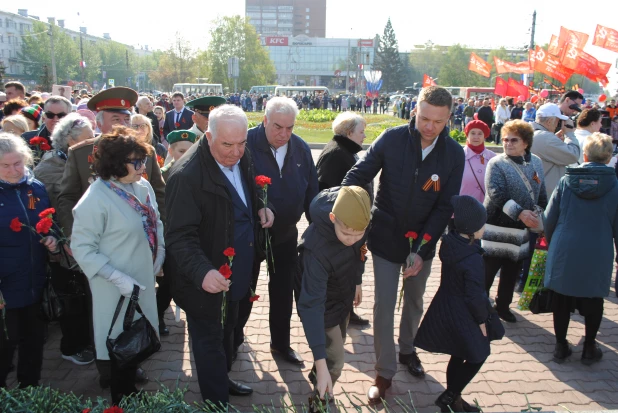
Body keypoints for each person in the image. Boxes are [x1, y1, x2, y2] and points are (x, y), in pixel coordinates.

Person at [342, 86, 465, 403]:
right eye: (424, 118)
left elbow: (444, 207)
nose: (429, 127)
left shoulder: (453, 154)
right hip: (384, 237)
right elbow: (358, 174)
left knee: (414, 301)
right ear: (415, 110)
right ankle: (383, 373)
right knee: (383, 307)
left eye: (438, 122)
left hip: (421, 243)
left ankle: (408, 350)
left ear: (449, 117)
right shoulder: (392, 139)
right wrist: (343, 204)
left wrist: (422, 251)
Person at [164, 105, 274, 406]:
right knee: (209, 342)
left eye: (241, 143)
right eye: (227, 144)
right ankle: (215, 402)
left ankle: (222, 381)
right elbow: (178, 236)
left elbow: (245, 191)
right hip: (206, 278)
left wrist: (261, 207)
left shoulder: (241, 153)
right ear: (208, 136)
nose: (236, 152)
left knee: (228, 334)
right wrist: (203, 271)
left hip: (237, 270)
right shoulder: (186, 176)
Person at [56, 87, 163, 388]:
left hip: (140, 265)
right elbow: (68, 202)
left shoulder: (142, 170)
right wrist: (72, 240)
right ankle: (114, 372)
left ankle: (130, 363)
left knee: (138, 324)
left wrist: (160, 251)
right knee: (111, 324)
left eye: (127, 116)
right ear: (101, 120)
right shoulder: (84, 160)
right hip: (107, 264)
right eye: (116, 117)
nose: (123, 122)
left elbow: (156, 210)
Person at [235, 97, 319, 366]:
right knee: (244, 291)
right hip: (251, 235)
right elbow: (238, 186)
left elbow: (311, 192)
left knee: (283, 293)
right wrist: (262, 204)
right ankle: (234, 340)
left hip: (285, 236)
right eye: (278, 127)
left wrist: (318, 225)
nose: (284, 134)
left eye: (290, 128)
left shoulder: (302, 149)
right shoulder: (244, 144)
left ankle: (281, 344)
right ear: (265, 120)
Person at [544, 132, 618, 365]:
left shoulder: (566, 181)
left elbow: (549, 218)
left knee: (562, 298)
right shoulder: (614, 184)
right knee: (594, 298)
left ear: (584, 154)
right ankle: (588, 348)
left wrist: (551, 242)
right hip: (598, 247)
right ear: (608, 158)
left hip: (565, 245)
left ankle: (560, 346)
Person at [415, 195, 492, 413]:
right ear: (472, 230)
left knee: (458, 353)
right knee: (479, 354)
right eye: (482, 224)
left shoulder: (452, 244)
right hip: (465, 314)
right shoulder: (473, 257)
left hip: (447, 307)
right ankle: (449, 396)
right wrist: (482, 319)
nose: (484, 227)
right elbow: (475, 295)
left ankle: (454, 400)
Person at [298, 186, 371, 401]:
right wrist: (320, 361)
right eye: (347, 233)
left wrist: (357, 279)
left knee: (334, 349)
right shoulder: (316, 250)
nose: (352, 239)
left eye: (358, 233)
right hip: (321, 303)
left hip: (343, 294)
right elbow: (311, 305)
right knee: (335, 361)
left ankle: (319, 379)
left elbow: (361, 249)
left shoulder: (360, 218)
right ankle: (321, 398)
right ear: (332, 218)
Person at [0, 133, 58, 388]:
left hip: (35, 281)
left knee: (33, 343)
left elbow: (49, 224)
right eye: (5, 165)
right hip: (5, 288)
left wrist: (52, 239)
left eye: (17, 163)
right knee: (4, 347)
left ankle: (29, 393)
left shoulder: (36, 188)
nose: (13, 170)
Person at [483, 120, 548, 323]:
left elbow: (541, 194)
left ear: (526, 143)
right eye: (505, 139)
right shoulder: (496, 163)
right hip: (496, 227)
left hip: (522, 230)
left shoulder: (536, 162)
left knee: (512, 272)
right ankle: (478, 307)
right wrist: (520, 213)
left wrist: (537, 213)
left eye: (514, 140)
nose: (508, 143)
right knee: (487, 272)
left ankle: (503, 306)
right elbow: (496, 194)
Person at [315, 112, 371, 327]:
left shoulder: (345, 151)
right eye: (361, 132)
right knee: (341, 274)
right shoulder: (337, 154)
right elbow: (327, 193)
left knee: (351, 270)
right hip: (341, 229)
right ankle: (339, 314)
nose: (364, 136)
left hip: (350, 227)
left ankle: (347, 309)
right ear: (349, 133)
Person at [530, 103, 580, 196]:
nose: (559, 124)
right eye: (558, 121)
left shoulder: (531, 132)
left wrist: (554, 138)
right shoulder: (545, 138)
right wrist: (570, 134)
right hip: (546, 195)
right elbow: (573, 155)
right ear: (549, 121)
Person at [460, 120, 496, 205]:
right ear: (467, 135)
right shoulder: (458, 156)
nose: (476, 137)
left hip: (487, 210)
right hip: (462, 209)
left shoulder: (493, 157)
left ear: (485, 136)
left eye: (480, 134)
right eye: (472, 133)